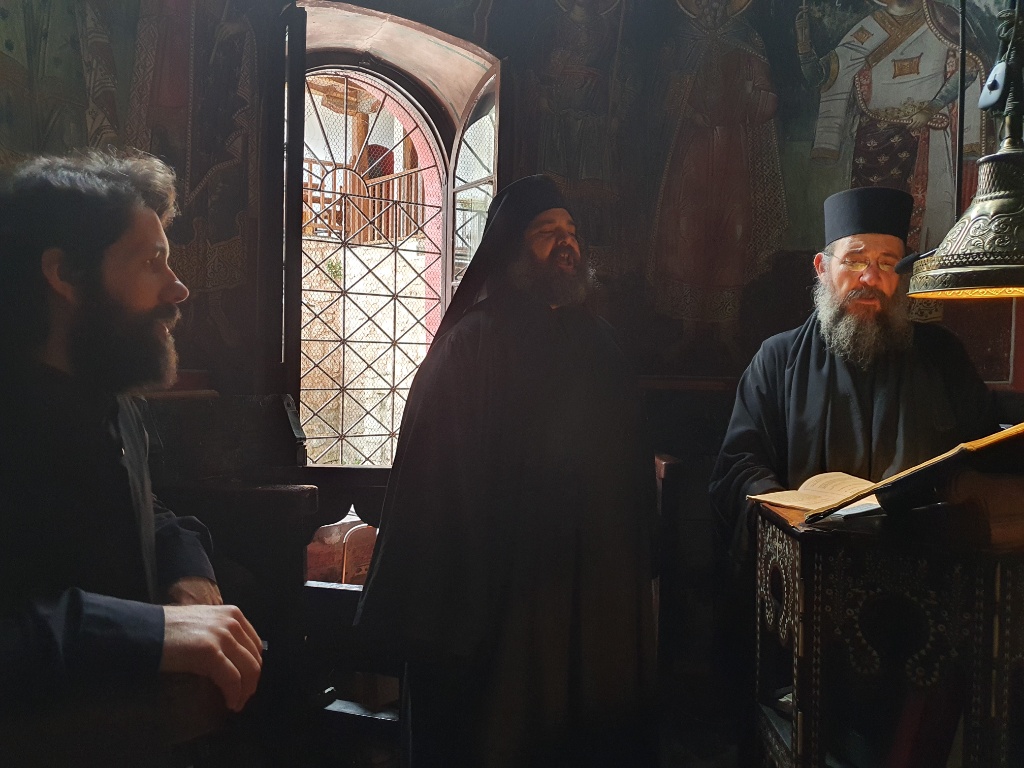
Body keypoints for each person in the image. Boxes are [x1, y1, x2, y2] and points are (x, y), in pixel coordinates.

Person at [357, 175, 657, 768]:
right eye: (547, 232)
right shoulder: (470, 346)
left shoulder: (604, 346)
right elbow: (432, 484)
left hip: (589, 592)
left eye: (571, 232)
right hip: (497, 597)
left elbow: (629, 470)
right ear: (511, 248)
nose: (566, 243)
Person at [708, 185, 997, 761]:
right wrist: (787, 511)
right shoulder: (777, 360)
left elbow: (984, 449)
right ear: (823, 267)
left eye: (888, 263)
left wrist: (968, 483)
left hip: (921, 601)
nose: (871, 277)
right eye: (856, 260)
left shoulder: (941, 357)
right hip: (814, 596)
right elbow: (738, 466)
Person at [0, 150, 262, 718]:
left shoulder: (115, 404)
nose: (179, 289)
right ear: (65, 275)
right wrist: (152, 632)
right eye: (152, 262)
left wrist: (187, 570)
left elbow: (138, 512)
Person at [797, 0, 988, 251]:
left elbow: (969, 67)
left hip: (924, 131)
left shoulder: (943, 21)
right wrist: (804, 48)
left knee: (925, 215)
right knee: (870, 220)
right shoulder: (870, 27)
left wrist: (931, 108)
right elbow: (824, 75)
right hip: (872, 137)